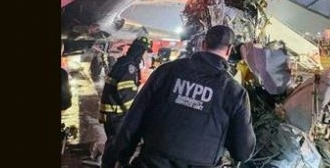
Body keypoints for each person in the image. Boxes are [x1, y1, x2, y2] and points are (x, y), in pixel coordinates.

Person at [102, 25, 256, 168]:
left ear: (203, 44)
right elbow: (243, 152)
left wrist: (121, 157)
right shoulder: (235, 92)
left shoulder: (166, 71)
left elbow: (134, 119)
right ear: (229, 50)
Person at [99, 36, 152, 139]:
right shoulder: (129, 67)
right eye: (146, 53)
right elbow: (126, 93)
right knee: (117, 145)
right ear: (140, 52)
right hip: (116, 116)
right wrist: (135, 114)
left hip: (112, 115)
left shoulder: (125, 63)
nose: (147, 56)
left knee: (112, 144)